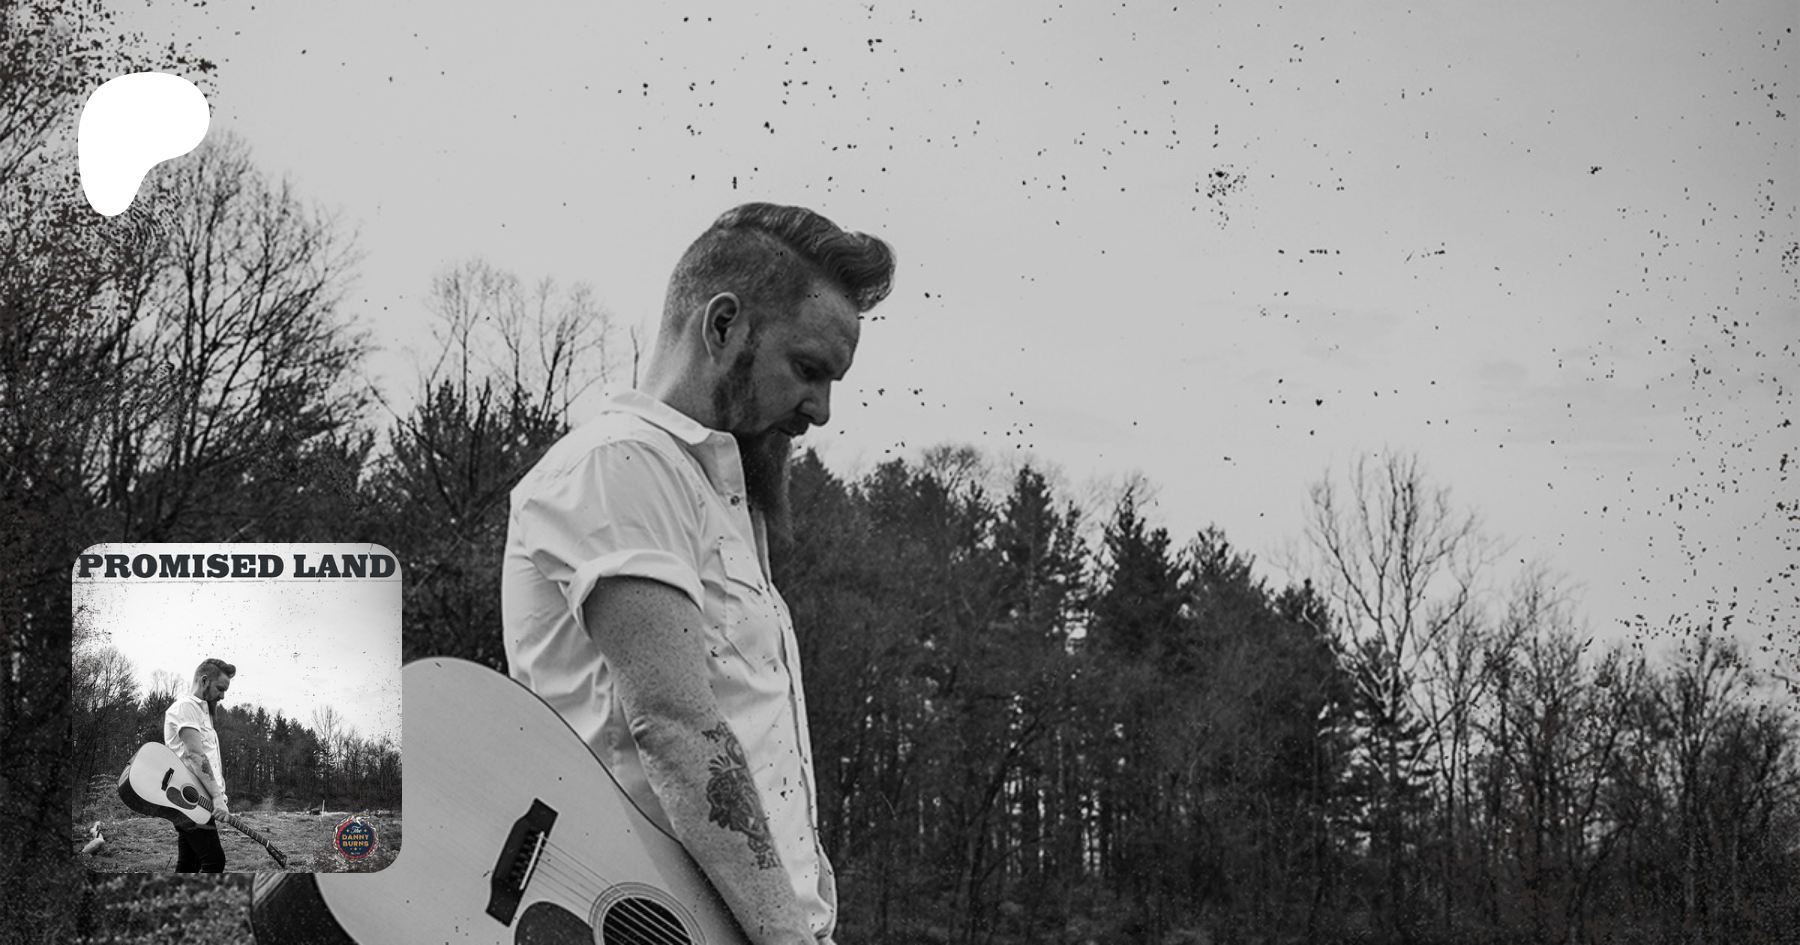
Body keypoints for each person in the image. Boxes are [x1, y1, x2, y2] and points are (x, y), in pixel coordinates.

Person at [502, 202, 895, 945]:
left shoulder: (710, 494)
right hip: (637, 921)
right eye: (808, 369)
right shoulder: (621, 463)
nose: (821, 409)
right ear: (722, 326)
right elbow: (676, 727)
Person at [164, 657, 235, 873]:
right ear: (204, 681)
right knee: (214, 861)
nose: (222, 696)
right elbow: (195, 755)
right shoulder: (186, 707)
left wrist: (218, 796)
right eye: (220, 689)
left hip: (198, 800)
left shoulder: (201, 713)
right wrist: (216, 797)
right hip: (189, 800)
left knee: (189, 864)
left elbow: (207, 758)